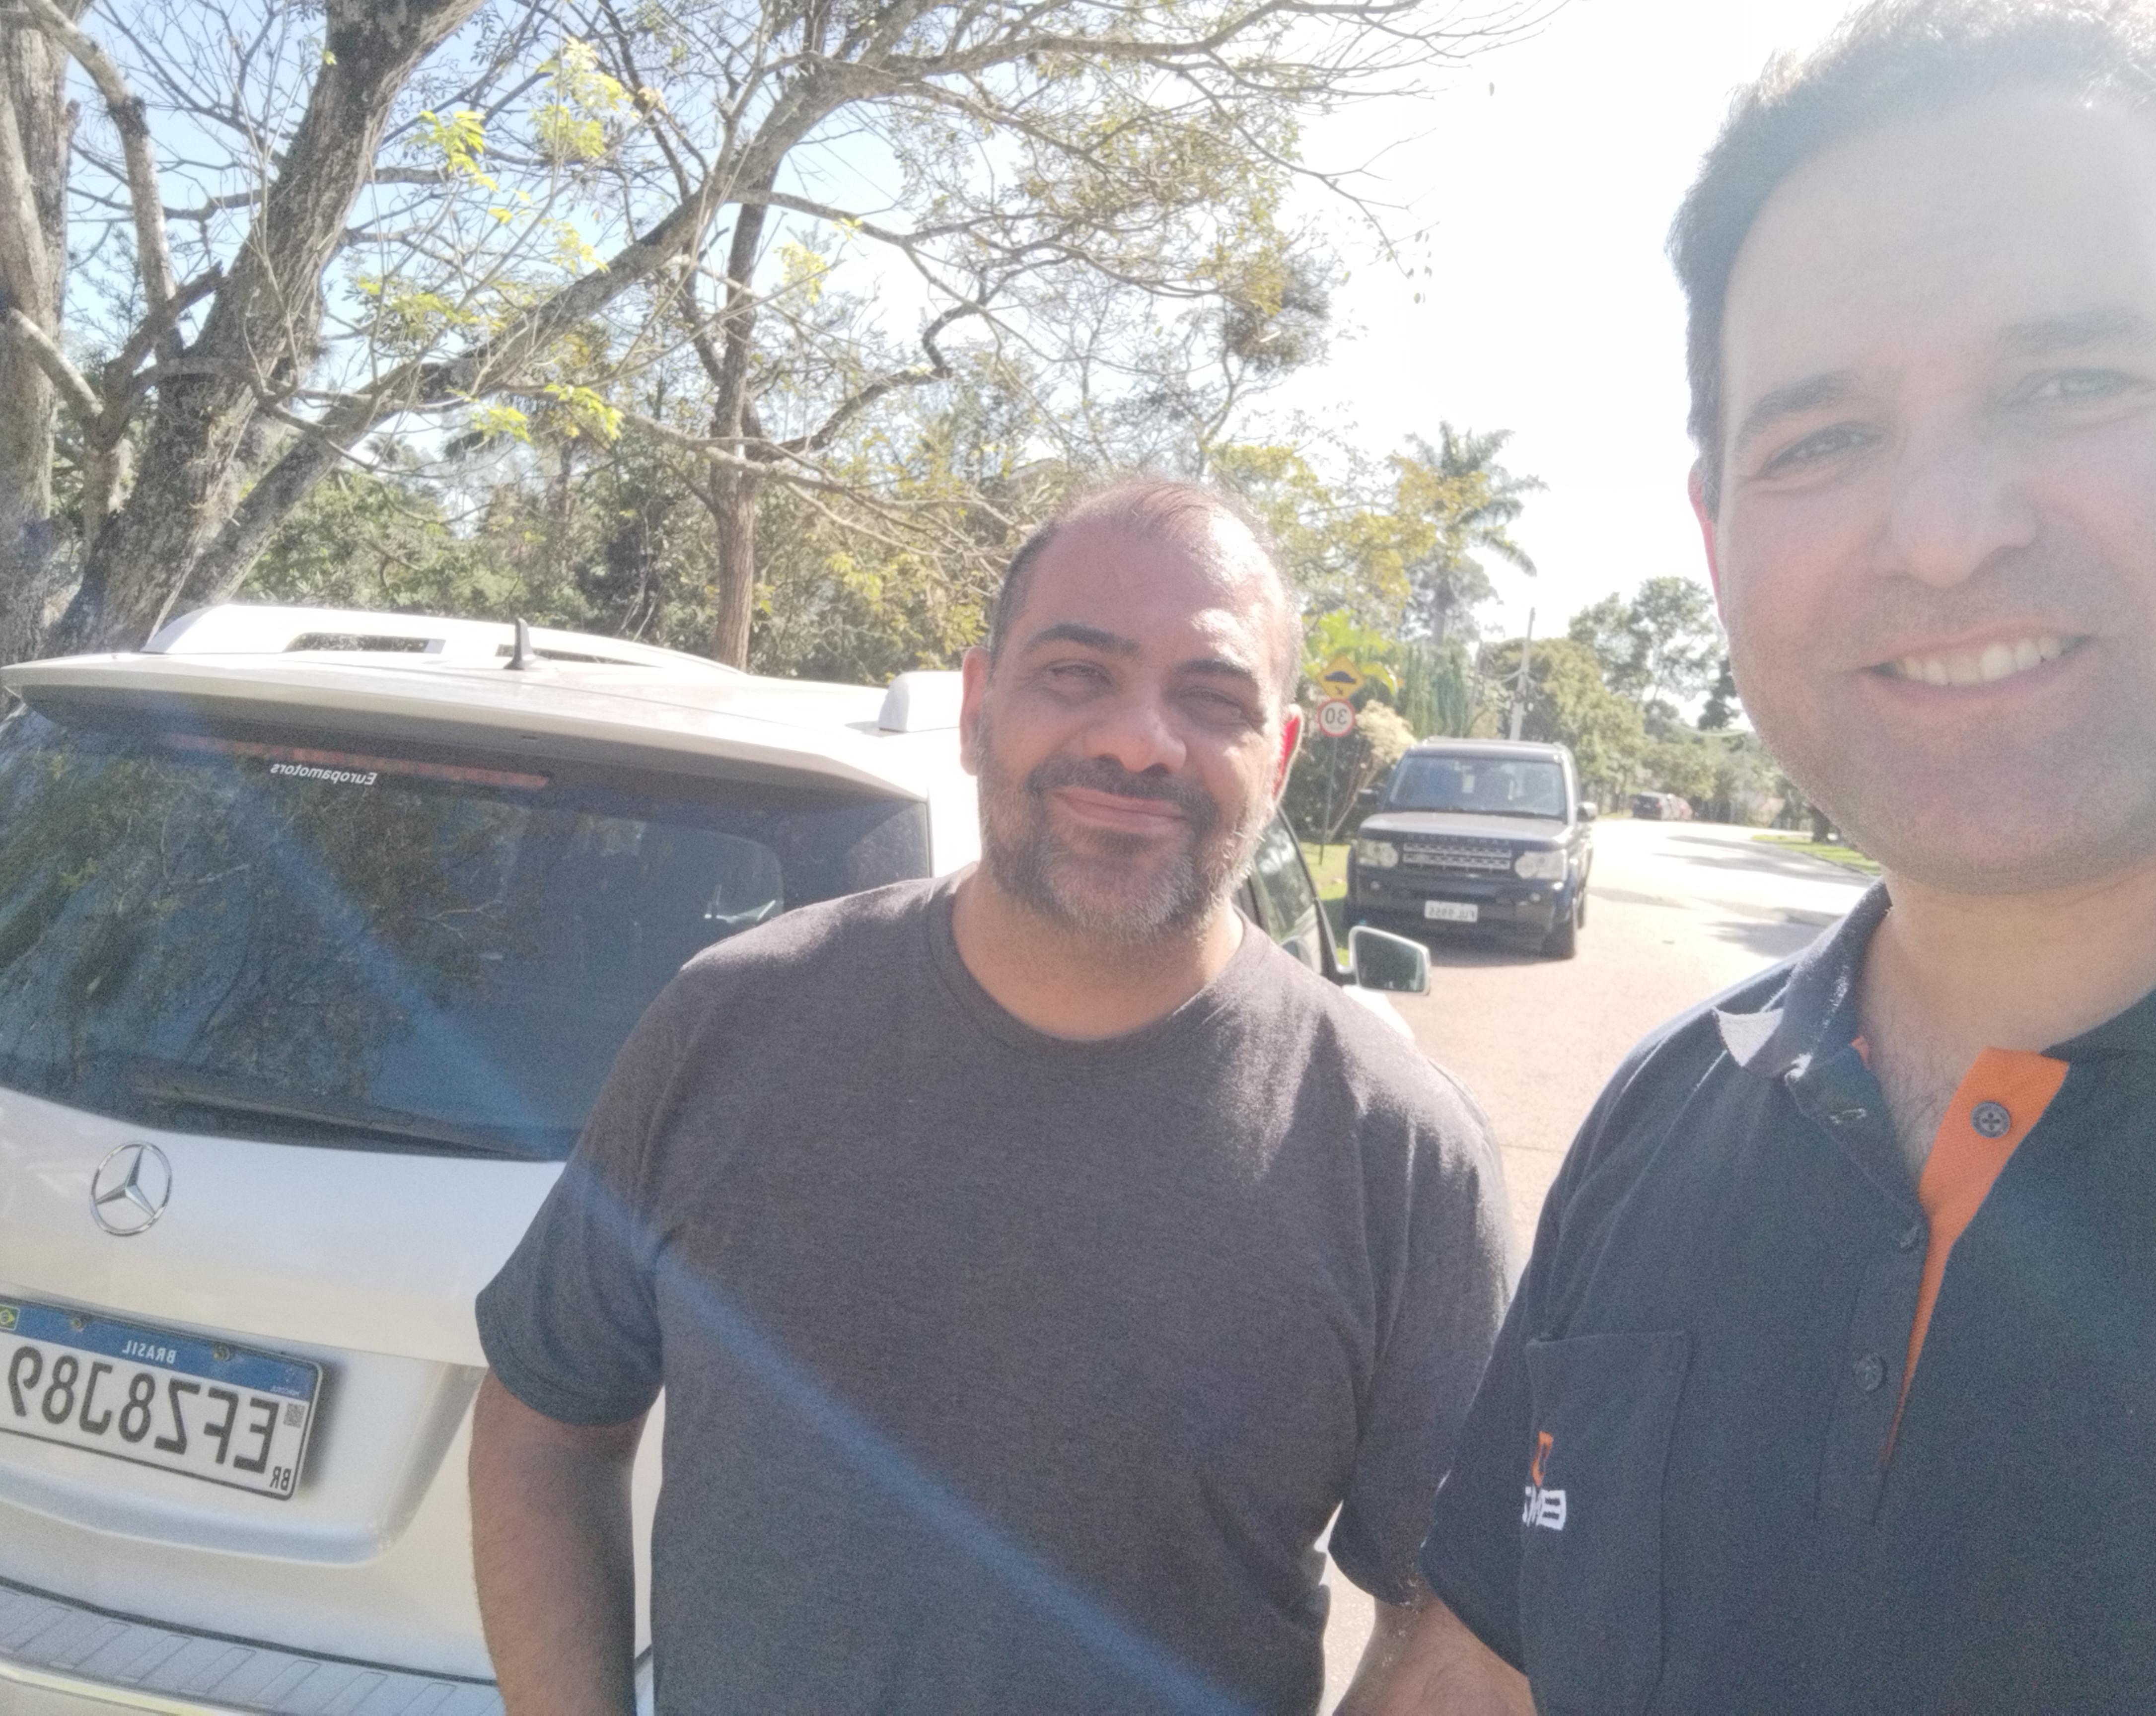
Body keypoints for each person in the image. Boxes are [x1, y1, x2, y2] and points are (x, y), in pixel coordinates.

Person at [1383, 2, 2156, 1710]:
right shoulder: (1666, 1112)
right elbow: (1478, 1663)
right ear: (1716, 532)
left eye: (2075, 382)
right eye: (1819, 439)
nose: (1943, 535)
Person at [467, 480, 1512, 1716]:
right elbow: (544, 1427)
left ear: (1277, 759)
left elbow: (1462, 1629)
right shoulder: (728, 1024)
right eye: (1077, 672)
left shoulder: (1402, 1153)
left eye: (1213, 698)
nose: (1140, 740)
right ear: (978, 709)